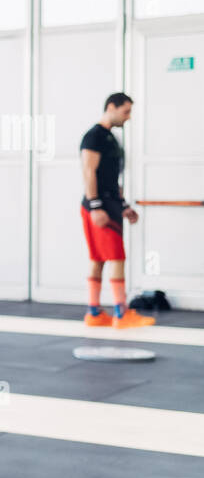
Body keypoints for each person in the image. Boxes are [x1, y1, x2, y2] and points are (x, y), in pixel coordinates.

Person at [79, 92, 153, 328]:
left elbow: (111, 179)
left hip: (109, 203)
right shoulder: (94, 137)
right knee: (116, 257)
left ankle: (94, 313)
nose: (128, 117)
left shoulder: (110, 138)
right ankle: (121, 315)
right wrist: (95, 206)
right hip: (99, 205)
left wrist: (124, 206)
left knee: (99, 258)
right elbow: (89, 172)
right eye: (126, 111)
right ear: (111, 106)